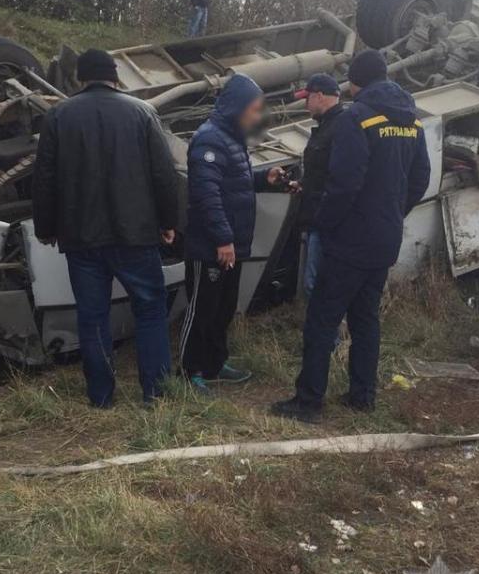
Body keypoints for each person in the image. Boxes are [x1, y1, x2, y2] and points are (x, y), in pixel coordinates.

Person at [271, 50, 431, 423]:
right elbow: (420, 179)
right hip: (385, 238)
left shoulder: (356, 118)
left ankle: (308, 401)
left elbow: (344, 185)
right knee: (366, 319)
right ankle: (362, 396)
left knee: (322, 319)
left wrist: (326, 223)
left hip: (350, 239)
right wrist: (392, 213)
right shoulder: (413, 121)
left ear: (356, 80)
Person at [32, 48, 180, 407]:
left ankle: (101, 397)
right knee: (149, 309)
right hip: (136, 234)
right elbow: (164, 174)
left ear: (82, 78)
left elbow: (45, 179)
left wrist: (46, 227)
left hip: (81, 238)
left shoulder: (58, 116)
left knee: (92, 316)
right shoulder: (142, 113)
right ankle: (155, 393)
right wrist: (169, 221)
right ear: (114, 76)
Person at [180, 74, 289, 390]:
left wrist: (262, 177)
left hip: (233, 245)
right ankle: (190, 372)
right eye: (254, 109)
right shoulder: (209, 139)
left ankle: (214, 364)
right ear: (238, 107)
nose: (257, 116)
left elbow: (233, 182)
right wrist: (223, 239)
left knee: (223, 309)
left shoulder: (232, 138)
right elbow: (206, 193)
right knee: (202, 309)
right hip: (211, 246)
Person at [295, 73, 345, 294]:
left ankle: (325, 326)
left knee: (316, 284)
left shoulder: (341, 128)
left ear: (321, 96)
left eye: (308, 98)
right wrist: (302, 185)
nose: (305, 103)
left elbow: (341, 179)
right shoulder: (326, 126)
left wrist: (326, 217)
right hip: (317, 217)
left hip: (327, 223)